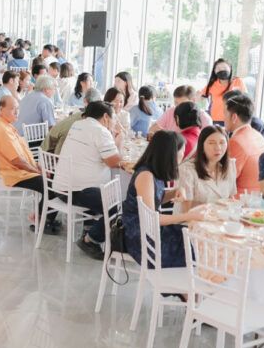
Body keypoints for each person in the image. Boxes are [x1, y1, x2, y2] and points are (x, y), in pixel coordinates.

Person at [121, 131, 206, 268]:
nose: (183, 155)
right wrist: (188, 216)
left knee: (193, 241)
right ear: (171, 153)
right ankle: (182, 281)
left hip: (149, 230)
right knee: (194, 249)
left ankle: (188, 280)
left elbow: (155, 199)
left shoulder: (153, 172)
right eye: (182, 152)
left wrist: (174, 192)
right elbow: (152, 219)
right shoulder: (146, 176)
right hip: (142, 238)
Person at [54, 101, 123, 261]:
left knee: (99, 191)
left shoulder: (78, 124)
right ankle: (90, 240)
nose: (114, 122)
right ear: (105, 117)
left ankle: (89, 229)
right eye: (113, 118)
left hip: (62, 187)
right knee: (118, 206)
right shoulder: (100, 131)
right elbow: (114, 162)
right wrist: (119, 141)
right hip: (78, 191)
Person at [0, 95, 57, 231]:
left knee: (55, 178)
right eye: (13, 109)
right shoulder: (1, 129)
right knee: (52, 186)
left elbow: (22, 153)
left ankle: (42, 217)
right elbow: (16, 160)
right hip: (15, 174)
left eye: (18, 109)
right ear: (1, 109)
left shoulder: (6, 125)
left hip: (21, 170)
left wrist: (37, 166)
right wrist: (38, 171)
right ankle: (40, 220)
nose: (17, 112)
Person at [177, 126, 238, 211]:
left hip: (221, 218)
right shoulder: (187, 169)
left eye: (222, 142)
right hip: (194, 218)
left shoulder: (230, 165)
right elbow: (185, 211)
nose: (218, 148)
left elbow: (230, 199)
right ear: (202, 146)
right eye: (211, 143)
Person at [224, 96, 264, 195]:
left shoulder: (235, 142)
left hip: (241, 199)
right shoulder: (258, 135)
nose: (223, 118)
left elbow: (226, 178)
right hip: (258, 196)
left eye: (225, 114)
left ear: (234, 117)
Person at [44, 88, 104, 154]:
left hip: (46, 152)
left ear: (84, 101)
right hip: (57, 156)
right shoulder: (86, 122)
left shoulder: (76, 116)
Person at [203, 58, 246, 125]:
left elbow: (245, 99)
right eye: (219, 68)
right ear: (214, 71)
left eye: (224, 68)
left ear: (230, 69)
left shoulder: (237, 81)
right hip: (215, 120)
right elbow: (200, 94)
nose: (222, 70)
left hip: (233, 120)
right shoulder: (212, 84)